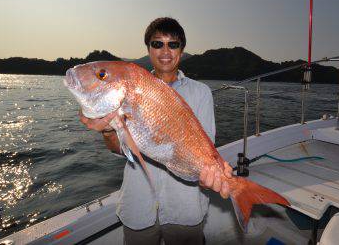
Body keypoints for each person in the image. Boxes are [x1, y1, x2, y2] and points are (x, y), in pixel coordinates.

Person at [80, 17, 232, 245]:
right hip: (138, 207)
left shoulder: (201, 93)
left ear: (181, 50)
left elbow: (204, 149)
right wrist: (109, 131)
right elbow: (120, 150)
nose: (165, 51)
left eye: (173, 44)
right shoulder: (130, 89)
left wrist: (210, 175)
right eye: (157, 43)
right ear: (148, 48)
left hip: (186, 210)